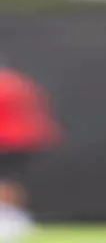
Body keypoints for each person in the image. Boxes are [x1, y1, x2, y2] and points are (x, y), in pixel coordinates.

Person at [0, 64, 60, 242]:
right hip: (26, 139)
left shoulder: (7, 85)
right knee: (9, 180)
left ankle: (9, 220)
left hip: (10, 140)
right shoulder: (18, 82)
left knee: (5, 180)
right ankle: (12, 219)